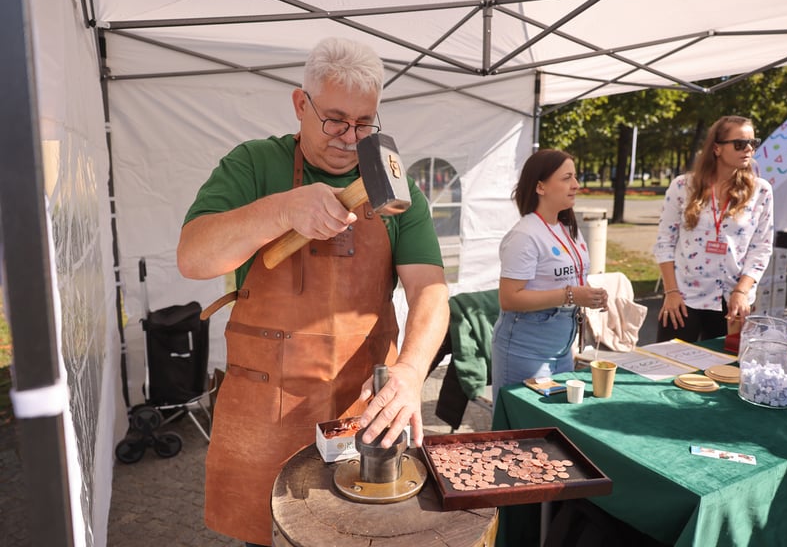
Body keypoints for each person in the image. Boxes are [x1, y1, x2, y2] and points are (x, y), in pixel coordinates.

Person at [176, 37, 449, 547]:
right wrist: (279, 211)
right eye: (335, 120)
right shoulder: (254, 165)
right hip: (264, 410)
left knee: (356, 534)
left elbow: (430, 291)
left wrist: (411, 373)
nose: (350, 138)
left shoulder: (393, 183)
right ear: (301, 105)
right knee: (268, 532)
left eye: (365, 123)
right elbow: (193, 257)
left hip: (361, 410)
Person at [491, 149, 608, 401]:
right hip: (526, 348)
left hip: (562, 348)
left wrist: (591, 295)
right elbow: (509, 299)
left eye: (575, 177)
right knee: (524, 426)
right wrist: (570, 295)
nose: (576, 185)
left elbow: (570, 279)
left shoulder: (569, 230)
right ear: (541, 187)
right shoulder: (525, 235)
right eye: (566, 178)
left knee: (554, 422)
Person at [653, 115, 773, 343]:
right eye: (740, 144)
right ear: (717, 149)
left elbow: (761, 248)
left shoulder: (761, 191)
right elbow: (664, 243)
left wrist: (741, 292)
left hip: (733, 303)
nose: (748, 149)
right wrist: (671, 292)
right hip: (683, 299)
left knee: (722, 372)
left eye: (753, 143)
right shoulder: (682, 186)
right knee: (666, 369)